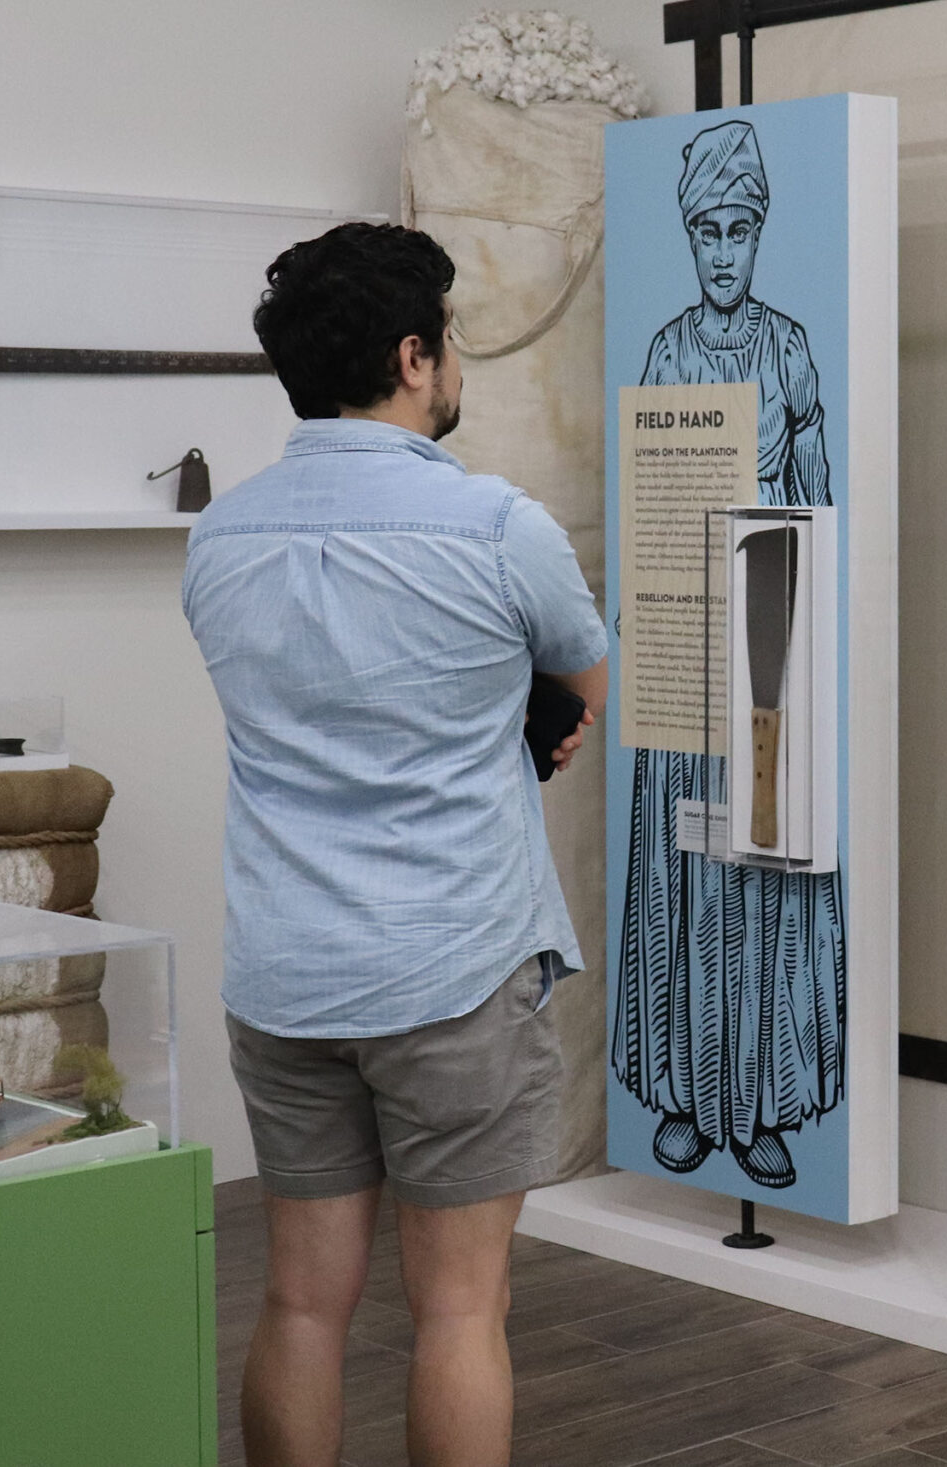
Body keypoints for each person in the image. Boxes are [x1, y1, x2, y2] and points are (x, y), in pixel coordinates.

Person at [181, 222, 607, 1467]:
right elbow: (582, 686)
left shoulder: (219, 537)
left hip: (285, 971)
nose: (455, 362)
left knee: (302, 1302)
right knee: (461, 1309)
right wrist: (518, 718)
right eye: (451, 341)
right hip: (453, 969)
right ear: (414, 358)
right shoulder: (496, 527)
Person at [609, 120, 846, 1192]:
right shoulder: (665, 350)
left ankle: (759, 1104)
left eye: (737, 230)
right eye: (704, 231)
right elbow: (648, 500)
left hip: (770, 646)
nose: (719, 252)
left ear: (758, 235)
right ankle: (686, 1094)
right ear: (687, 236)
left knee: (763, 869)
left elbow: (820, 501)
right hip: (682, 652)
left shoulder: (790, 346)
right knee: (685, 866)